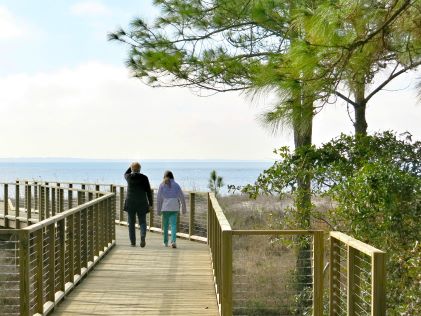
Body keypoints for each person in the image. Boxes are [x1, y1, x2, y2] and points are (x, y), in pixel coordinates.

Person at [124, 162, 153, 247]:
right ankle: (143, 235)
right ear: (140, 169)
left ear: (132, 169)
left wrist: (131, 167)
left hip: (130, 203)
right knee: (142, 222)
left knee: (131, 223)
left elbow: (125, 173)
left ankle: (133, 242)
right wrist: (150, 204)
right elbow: (148, 191)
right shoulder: (144, 178)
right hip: (142, 202)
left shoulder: (128, 177)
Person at [156, 170, 186, 248]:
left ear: (164, 177)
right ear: (172, 177)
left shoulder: (162, 185)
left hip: (165, 208)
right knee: (173, 225)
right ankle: (173, 242)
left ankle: (165, 242)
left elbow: (159, 199)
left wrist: (158, 210)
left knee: (165, 226)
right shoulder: (176, 185)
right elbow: (182, 197)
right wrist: (183, 208)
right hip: (174, 207)